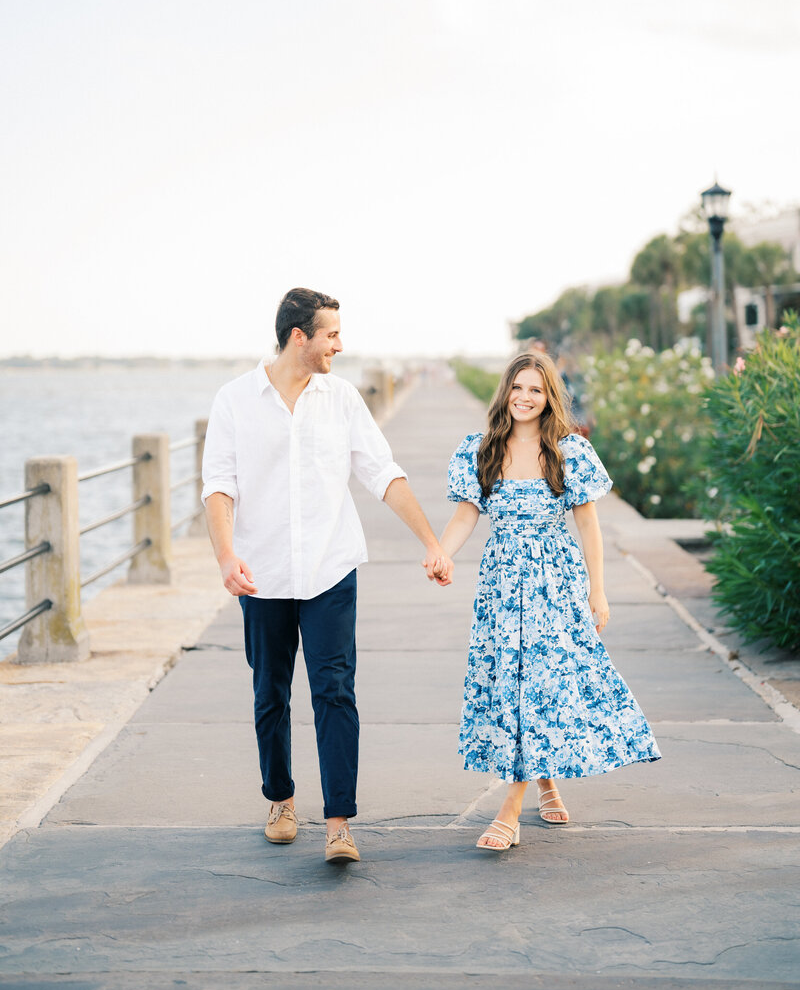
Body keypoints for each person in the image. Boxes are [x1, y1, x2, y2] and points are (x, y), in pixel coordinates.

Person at [202, 288, 453, 864]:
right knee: (270, 692)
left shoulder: (341, 399)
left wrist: (431, 541)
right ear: (299, 336)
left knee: (336, 692)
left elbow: (382, 473)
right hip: (261, 574)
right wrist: (225, 556)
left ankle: (338, 822)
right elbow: (219, 484)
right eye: (332, 334)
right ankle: (281, 799)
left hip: (330, 570)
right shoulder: (235, 399)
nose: (341, 344)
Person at [435, 351, 660, 851]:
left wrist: (597, 592)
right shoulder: (482, 450)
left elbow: (589, 528)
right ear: (505, 391)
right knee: (511, 686)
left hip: (553, 585)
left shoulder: (569, 453)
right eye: (517, 387)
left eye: (535, 389)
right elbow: (467, 515)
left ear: (549, 396)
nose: (524, 397)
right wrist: (441, 554)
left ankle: (509, 811)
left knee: (541, 684)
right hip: (499, 586)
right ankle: (544, 780)